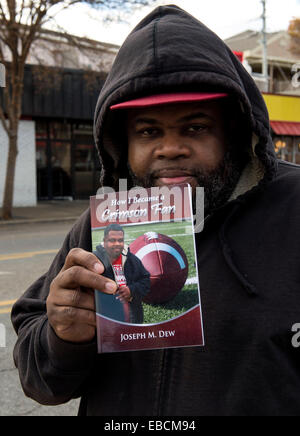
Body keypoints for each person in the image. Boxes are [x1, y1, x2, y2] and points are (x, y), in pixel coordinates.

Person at [11, 5, 300, 416]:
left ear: (232, 131)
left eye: (195, 127)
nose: (170, 148)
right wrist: (62, 337)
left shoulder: (292, 209)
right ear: (122, 143)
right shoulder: (98, 230)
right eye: (149, 131)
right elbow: (41, 382)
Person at [93, 223, 150, 323]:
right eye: (112, 240)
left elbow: (145, 281)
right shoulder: (95, 259)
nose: (117, 243)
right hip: (106, 318)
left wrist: (131, 290)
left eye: (120, 240)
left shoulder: (132, 259)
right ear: (104, 241)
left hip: (133, 317)